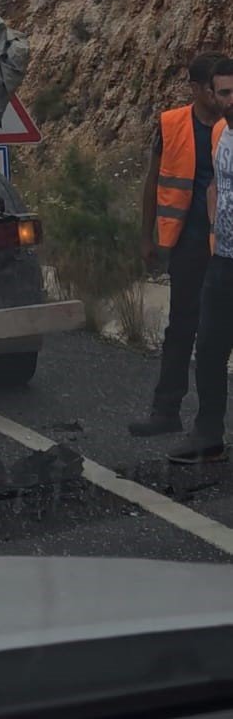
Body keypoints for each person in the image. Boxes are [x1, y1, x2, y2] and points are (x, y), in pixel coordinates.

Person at [129, 52, 225, 437]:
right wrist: (146, 236)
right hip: (188, 243)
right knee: (182, 328)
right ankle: (166, 411)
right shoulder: (171, 125)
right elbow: (153, 182)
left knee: (217, 335)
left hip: (227, 248)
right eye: (216, 87)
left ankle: (209, 424)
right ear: (198, 88)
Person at [168, 58, 233, 463]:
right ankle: (208, 433)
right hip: (223, 260)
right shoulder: (223, 133)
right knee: (209, 348)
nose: (229, 99)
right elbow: (214, 186)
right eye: (224, 91)